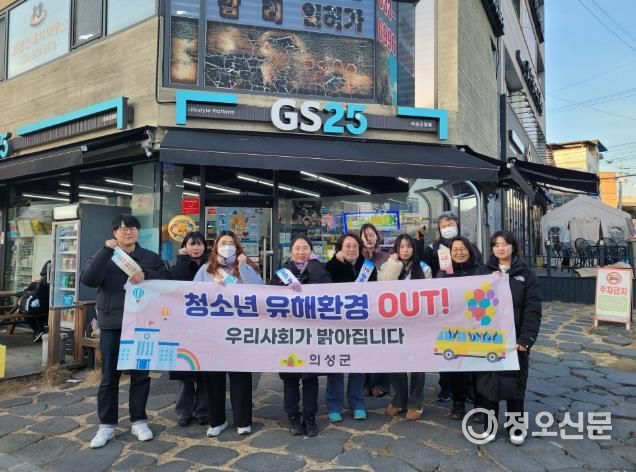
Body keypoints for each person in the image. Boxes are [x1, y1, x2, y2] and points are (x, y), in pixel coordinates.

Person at [80, 215, 169, 449]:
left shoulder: (149, 257)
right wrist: (104, 251)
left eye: (132, 228)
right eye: (122, 229)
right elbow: (88, 279)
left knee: (141, 376)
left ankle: (139, 421)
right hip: (112, 324)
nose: (128, 232)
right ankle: (106, 425)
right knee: (109, 377)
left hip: (143, 324)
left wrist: (146, 274)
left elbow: (167, 279)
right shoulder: (106, 255)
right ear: (114, 233)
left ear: (138, 231)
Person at [474, 230, 542, 446]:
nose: (500, 248)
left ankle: (516, 427)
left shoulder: (527, 275)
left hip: (516, 341)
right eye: (496, 245)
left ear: (513, 247)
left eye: (504, 244)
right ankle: (490, 426)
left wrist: (526, 338)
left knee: (515, 385)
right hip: (489, 339)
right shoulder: (483, 273)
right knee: (488, 385)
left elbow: (533, 309)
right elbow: (472, 303)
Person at [194, 230, 263, 437]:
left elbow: (259, 290)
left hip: (238, 330)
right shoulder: (206, 269)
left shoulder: (246, 266)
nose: (227, 246)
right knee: (213, 377)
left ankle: (243, 420)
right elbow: (193, 293)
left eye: (230, 243)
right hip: (212, 331)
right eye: (223, 242)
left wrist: (243, 267)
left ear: (237, 246)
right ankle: (217, 420)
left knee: (240, 375)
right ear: (216, 246)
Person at [271, 235, 331, 437]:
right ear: (291, 251)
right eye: (297, 248)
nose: (301, 252)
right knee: (290, 378)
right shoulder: (282, 273)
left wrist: (314, 267)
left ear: (311, 251)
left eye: (305, 248)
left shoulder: (320, 270)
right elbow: (269, 298)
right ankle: (293, 417)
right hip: (289, 334)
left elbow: (328, 290)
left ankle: (310, 417)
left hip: (312, 333)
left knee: (310, 378)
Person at [422, 212, 482, 402]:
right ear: (439, 228)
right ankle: (446, 387)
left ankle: (469, 389)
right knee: (447, 349)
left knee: (470, 350)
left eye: (450, 224)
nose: (447, 228)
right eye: (444, 225)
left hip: (469, 308)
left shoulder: (469, 246)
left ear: (457, 224)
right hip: (445, 306)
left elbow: (480, 271)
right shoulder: (433, 249)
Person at [378, 234, 431, 420]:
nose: (405, 250)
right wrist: (394, 265)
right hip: (394, 323)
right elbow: (383, 288)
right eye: (401, 247)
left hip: (417, 323)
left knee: (418, 363)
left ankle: (416, 401)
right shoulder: (387, 265)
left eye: (409, 246)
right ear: (396, 249)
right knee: (395, 361)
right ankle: (399, 399)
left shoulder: (424, 269)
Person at [324, 233, 374, 422]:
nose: (352, 249)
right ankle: (334, 405)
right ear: (340, 248)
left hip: (360, 323)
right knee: (335, 366)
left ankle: (357, 403)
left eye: (355, 246)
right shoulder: (331, 266)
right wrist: (338, 263)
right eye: (347, 246)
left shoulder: (368, 267)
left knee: (358, 366)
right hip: (336, 324)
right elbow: (325, 284)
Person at [436, 236, 483, 420]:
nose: (459, 252)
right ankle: (458, 404)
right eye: (455, 249)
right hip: (453, 328)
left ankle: (480, 405)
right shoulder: (443, 274)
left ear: (470, 250)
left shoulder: (481, 271)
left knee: (478, 368)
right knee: (455, 368)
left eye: (462, 249)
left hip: (477, 328)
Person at [170, 231, 209, 427]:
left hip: (207, 324)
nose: (196, 248)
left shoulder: (212, 265)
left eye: (199, 244)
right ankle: (183, 411)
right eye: (191, 244)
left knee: (205, 370)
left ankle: (203, 410)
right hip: (183, 324)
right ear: (185, 247)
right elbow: (176, 281)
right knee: (185, 369)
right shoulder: (178, 265)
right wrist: (182, 260)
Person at [359, 223, 391, 398]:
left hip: (381, 308)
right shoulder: (357, 257)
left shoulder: (387, 257)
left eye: (371, 235)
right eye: (365, 236)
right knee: (363, 345)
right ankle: (365, 382)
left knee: (381, 345)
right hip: (361, 308)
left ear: (377, 237)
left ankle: (380, 383)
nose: (369, 238)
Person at [18, 260, 50, 342]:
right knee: (31, 311)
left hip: (40, 309)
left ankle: (38, 331)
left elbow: (24, 292)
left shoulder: (39, 282)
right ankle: (39, 331)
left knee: (25, 312)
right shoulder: (50, 281)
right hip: (47, 308)